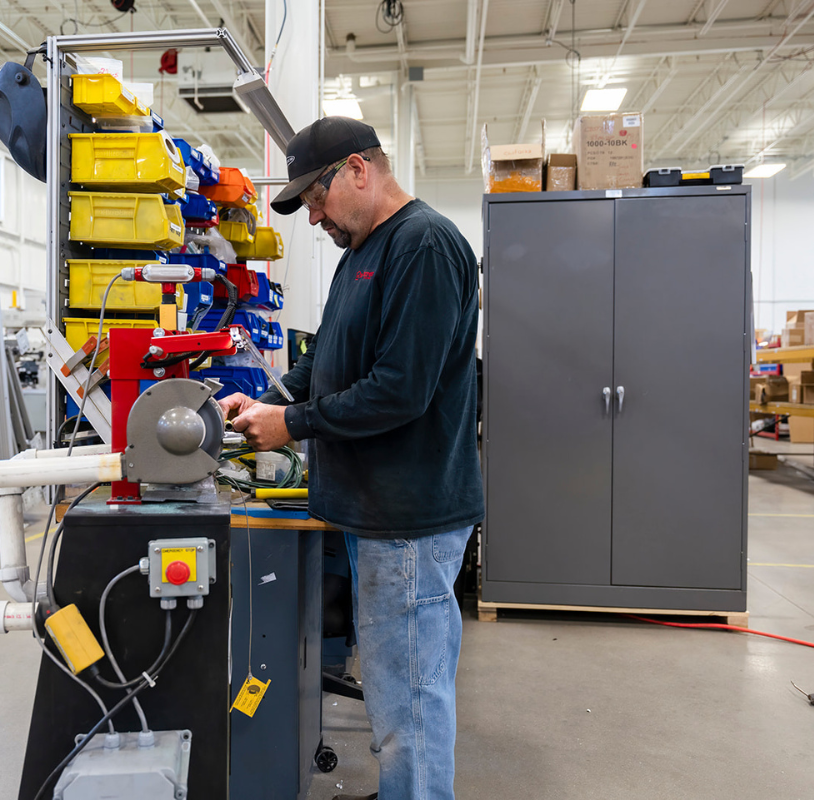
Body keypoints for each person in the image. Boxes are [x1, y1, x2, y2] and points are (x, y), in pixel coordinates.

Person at [219, 117, 484, 800]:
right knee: (399, 695)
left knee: (413, 704)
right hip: (378, 516)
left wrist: (295, 425)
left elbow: (401, 391)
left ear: (359, 170)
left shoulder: (423, 247)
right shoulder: (362, 254)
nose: (313, 218)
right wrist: (262, 404)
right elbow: (325, 365)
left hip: (409, 522)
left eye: (315, 199)